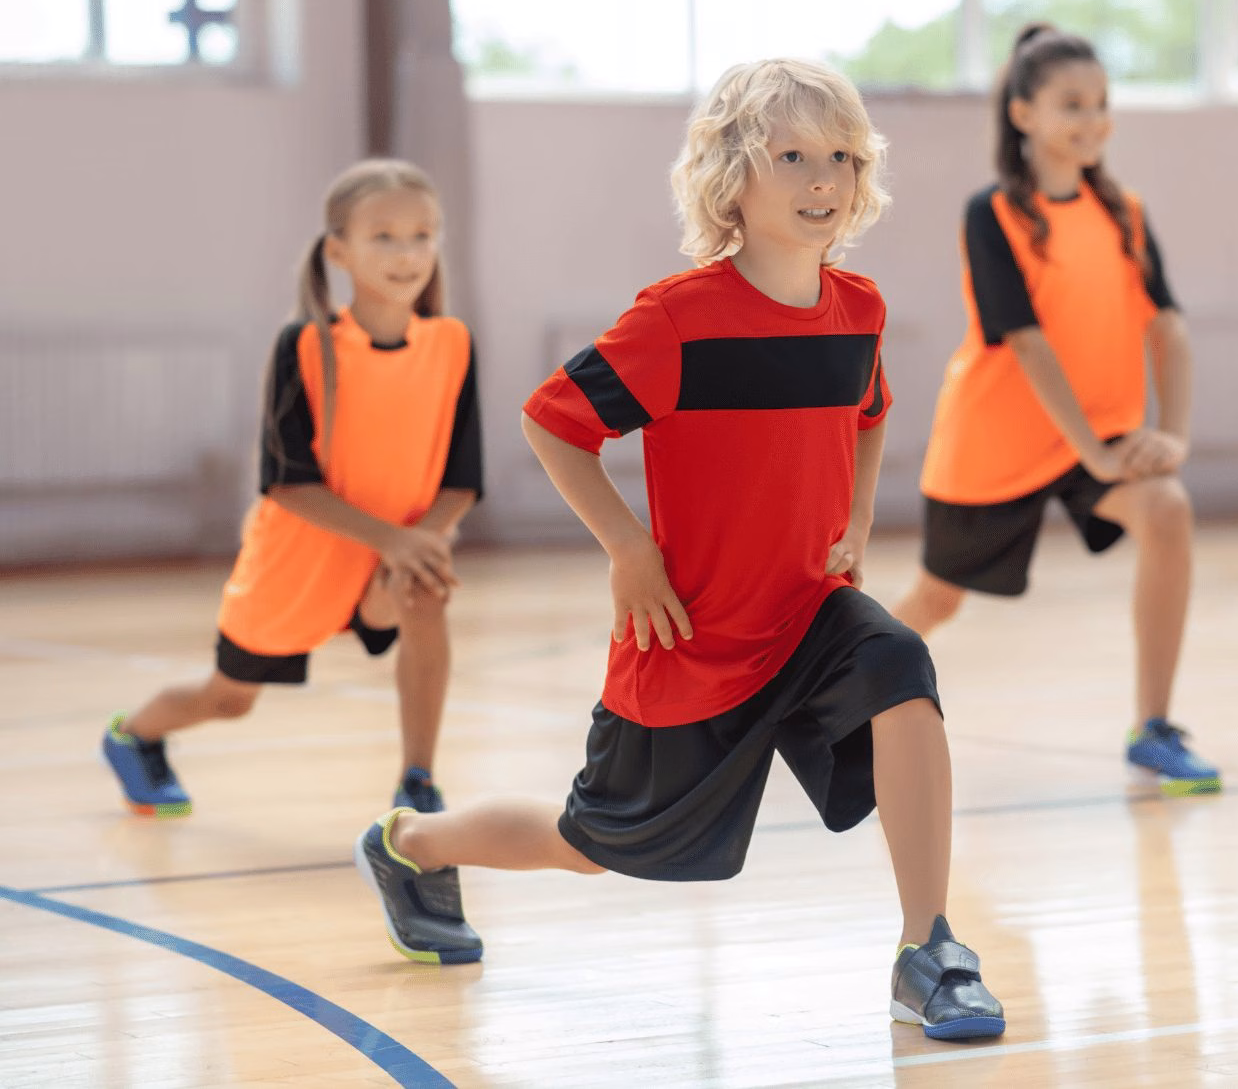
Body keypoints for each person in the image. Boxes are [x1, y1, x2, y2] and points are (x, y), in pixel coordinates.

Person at [354, 59, 1005, 1041]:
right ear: (732, 174)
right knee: (588, 846)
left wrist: (860, 519)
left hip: (807, 613)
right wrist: (629, 550)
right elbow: (552, 424)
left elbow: (869, 411)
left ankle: (931, 949)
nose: (821, 179)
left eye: (839, 156)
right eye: (791, 156)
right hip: (692, 640)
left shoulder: (856, 309)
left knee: (901, 669)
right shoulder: (678, 319)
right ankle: (411, 844)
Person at [891, 24, 1220, 796]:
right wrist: (1102, 454)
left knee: (1167, 507)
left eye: (1102, 104)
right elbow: (1028, 345)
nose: (1093, 120)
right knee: (938, 598)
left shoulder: (1125, 215)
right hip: (996, 440)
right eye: (1072, 103)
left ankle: (1154, 727)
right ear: (1023, 113)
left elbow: (1169, 329)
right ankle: (831, 695)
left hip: (1094, 434)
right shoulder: (993, 214)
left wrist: (1171, 434)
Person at [101, 158, 482, 818]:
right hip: (299, 557)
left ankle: (417, 781)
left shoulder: (451, 344)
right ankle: (134, 736)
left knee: (426, 598)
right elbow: (289, 484)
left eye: (423, 235)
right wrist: (397, 539)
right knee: (228, 699)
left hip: (390, 555)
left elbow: (462, 477)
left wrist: (421, 542)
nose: (407, 252)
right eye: (384, 235)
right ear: (338, 250)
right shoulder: (305, 345)